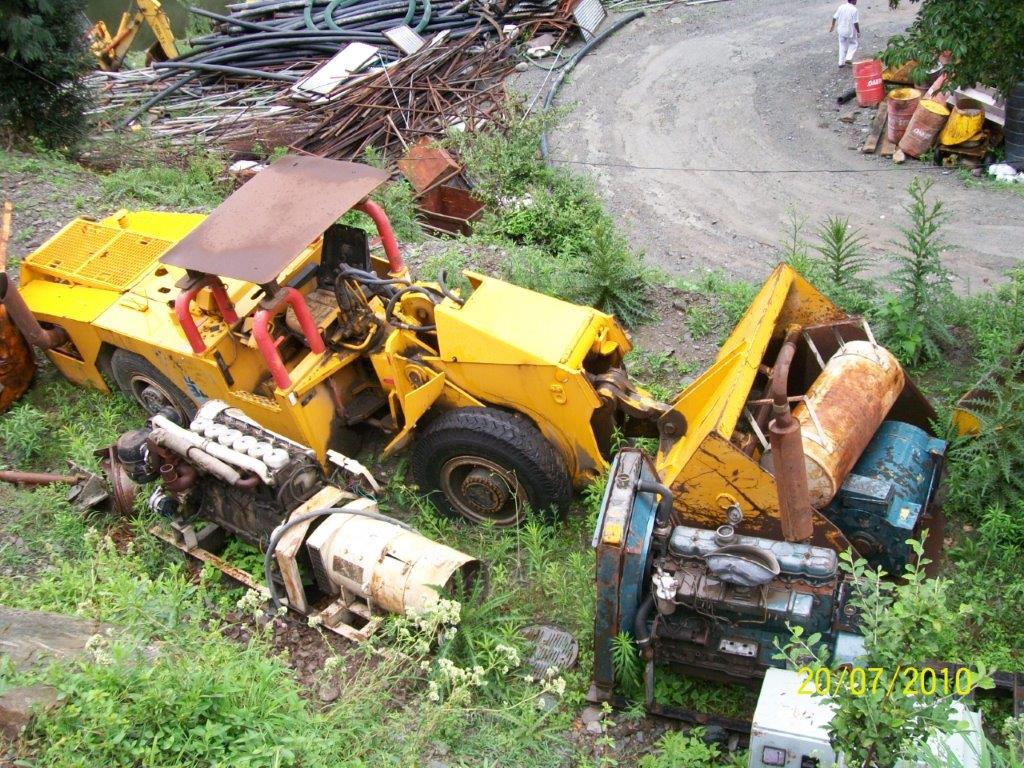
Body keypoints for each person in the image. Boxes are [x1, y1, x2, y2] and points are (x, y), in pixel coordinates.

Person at [829, 0, 860, 68]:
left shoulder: (841, 7)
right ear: (853, 0)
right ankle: (848, 58)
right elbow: (855, 23)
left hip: (841, 30)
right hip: (849, 31)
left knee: (842, 45)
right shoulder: (854, 10)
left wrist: (833, 26)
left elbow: (834, 17)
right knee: (854, 44)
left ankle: (841, 62)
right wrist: (858, 31)